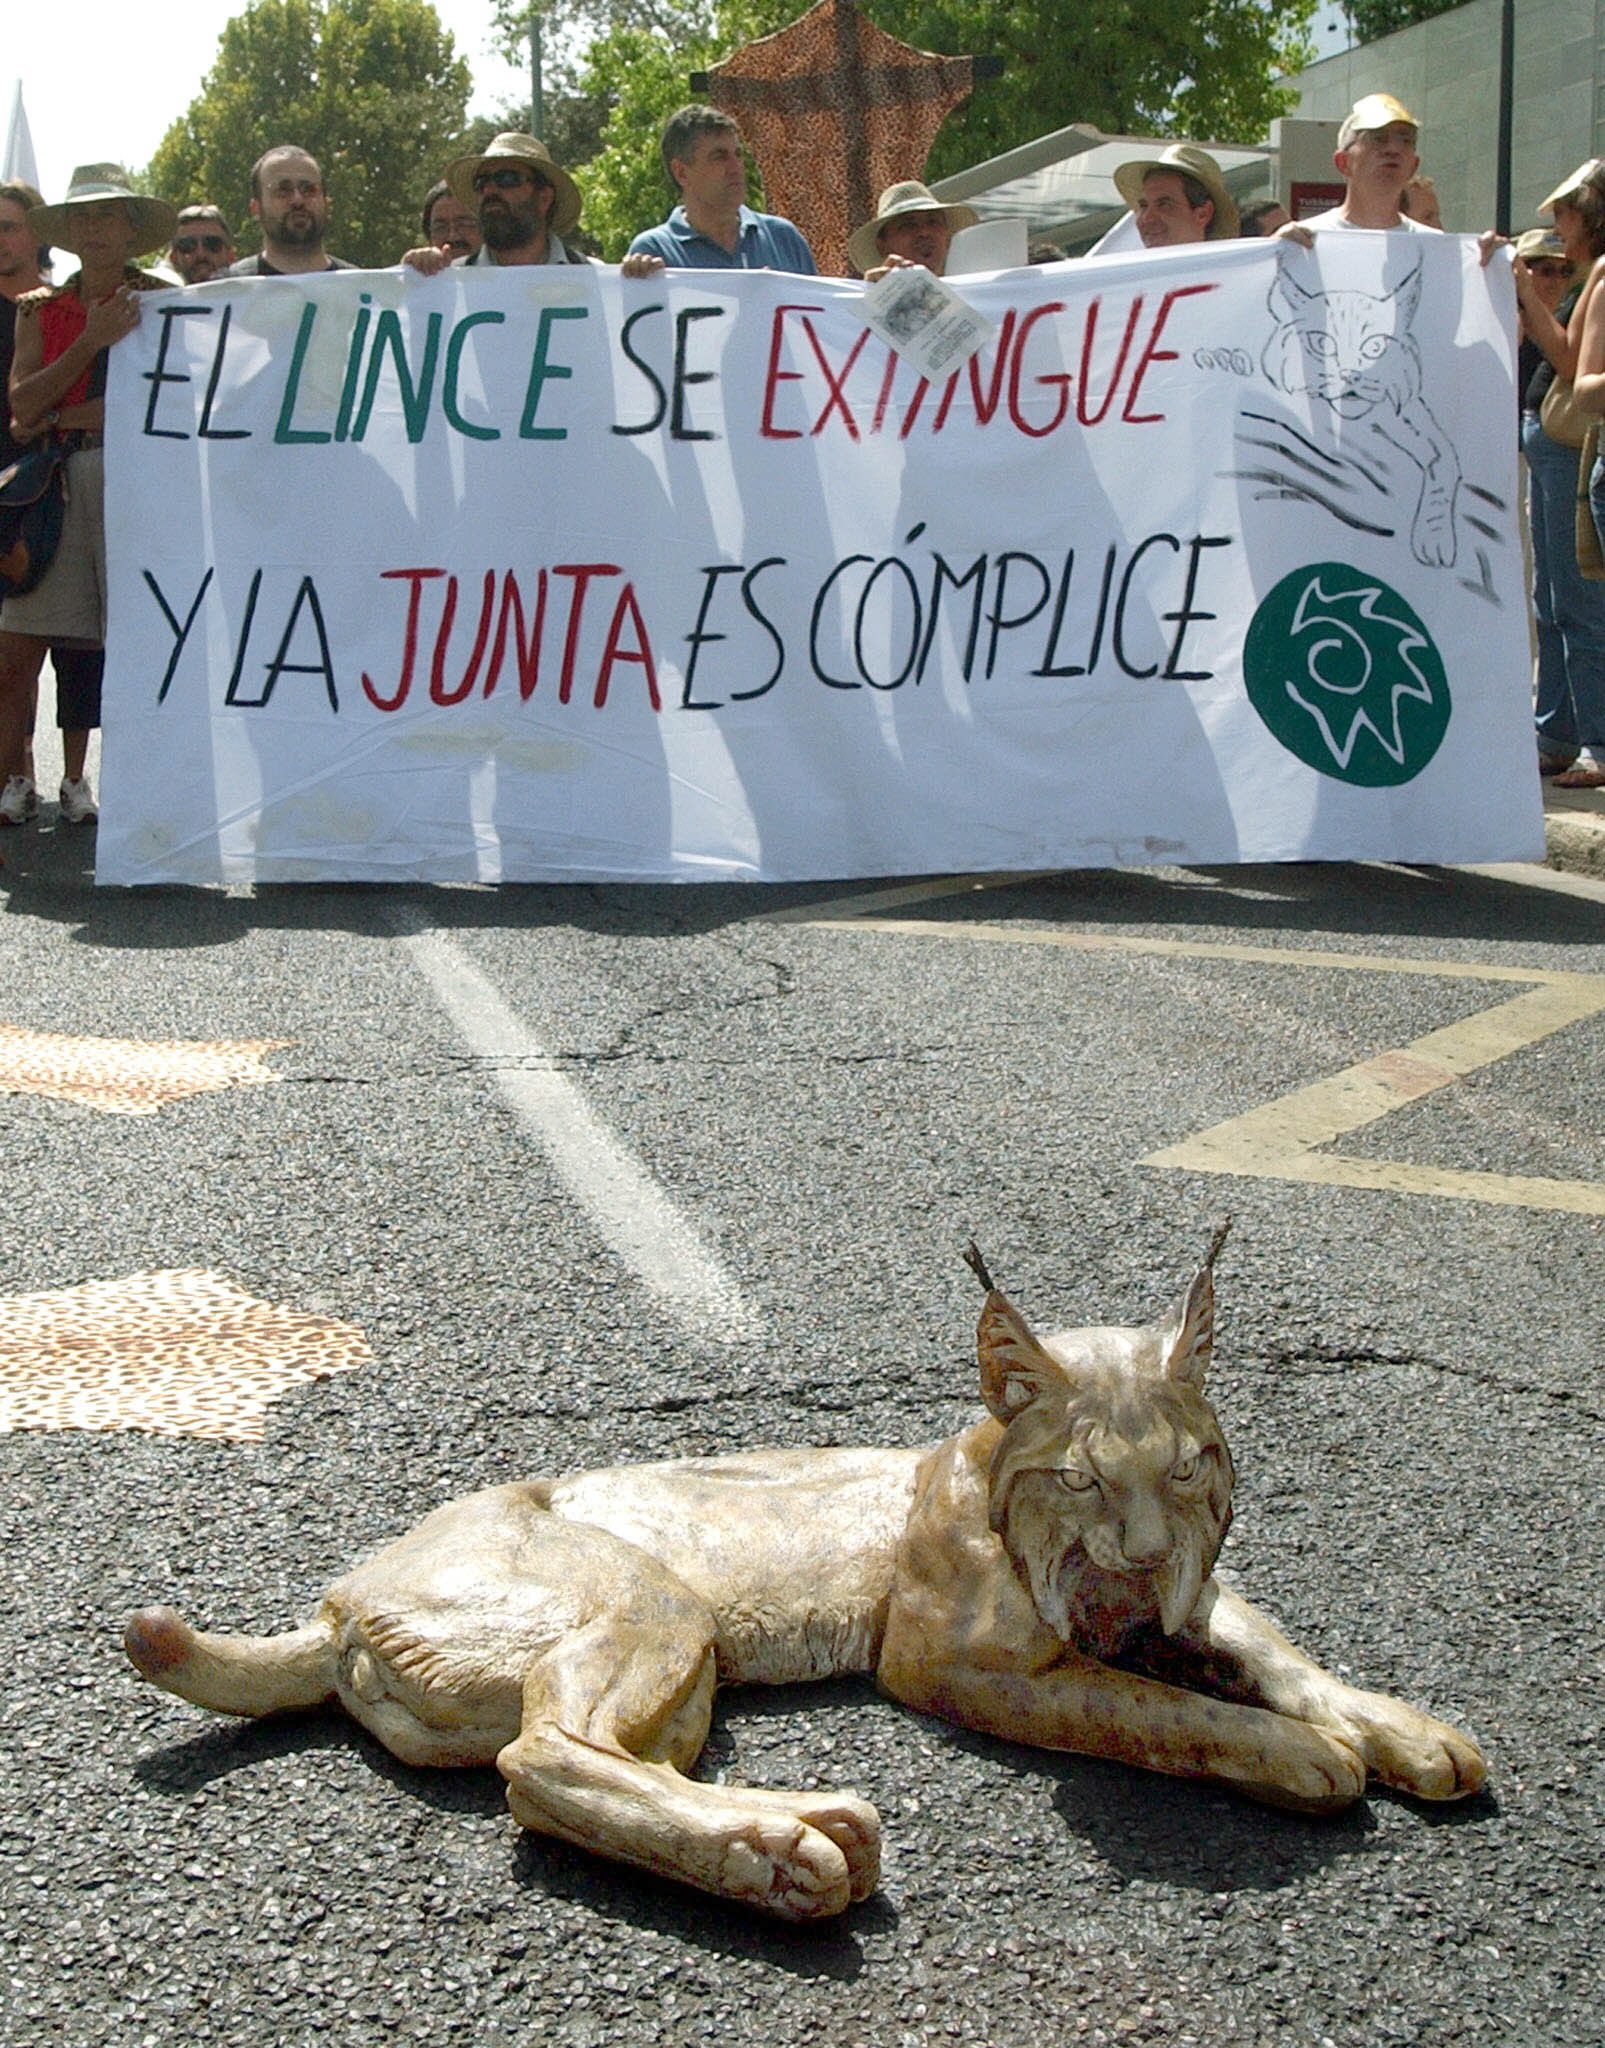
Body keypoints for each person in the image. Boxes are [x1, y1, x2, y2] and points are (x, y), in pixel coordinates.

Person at [0, 166, 173, 828]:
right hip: (57, 487)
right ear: (67, 232)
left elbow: (165, 403)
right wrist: (91, 344)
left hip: (137, 479)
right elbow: (20, 407)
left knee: (118, 644)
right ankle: (19, 774)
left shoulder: (165, 301)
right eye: (84, 217)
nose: (96, 228)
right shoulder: (39, 311)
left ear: (131, 229)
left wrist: (60, 414)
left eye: (110, 215)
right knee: (22, 642)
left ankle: (85, 779)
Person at [1546, 163, 1605, 784]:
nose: (1556, 229)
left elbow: (1571, 365)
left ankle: (1592, 738)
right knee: (1565, 602)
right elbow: (1580, 376)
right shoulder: (1596, 277)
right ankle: (1574, 732)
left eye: (1563, 213)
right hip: (1576, 452)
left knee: (1578, 604)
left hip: (1575, 453)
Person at [625, 106, 816, 275]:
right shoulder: (656, 251)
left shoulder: (784, 239)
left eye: (738, 154)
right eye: (719, 156)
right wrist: (638, 282)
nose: (736, 167)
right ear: (682, 172)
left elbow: (817, 313)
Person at [402, 134, 592, 274]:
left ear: (544, 198)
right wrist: (409, 277)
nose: (490, 190)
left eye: (507, 179)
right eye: (481, 182)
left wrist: (623, 281)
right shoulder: (448, 279)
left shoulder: (595, 277)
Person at [1277, 96, 1438, 240]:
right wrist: (1275, 254)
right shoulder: (1303, 241)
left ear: (1414, 166)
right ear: (1343, 162)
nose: (1393, 149)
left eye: (1406, 141)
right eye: (1378, 139)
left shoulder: (1435, 248)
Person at [228, 146, 353, 276]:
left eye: (309, 190)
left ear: (327, 204)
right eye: (283, 191)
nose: (298, 200)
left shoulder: (361, 287)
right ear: (256, 208)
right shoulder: (228, 289)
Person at [847, 180, 978, 282]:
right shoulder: (864, 304)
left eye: (933, 222)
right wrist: (874, 298)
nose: (924, 232)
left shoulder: (978, 288)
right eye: (908, 225)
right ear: (882, 246)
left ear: (947, 238)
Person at [1113, 145, 1240, 247]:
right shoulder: (1127, 275)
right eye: (1143, 206)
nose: (1147, 218)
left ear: (1203, 214)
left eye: (1164, 204)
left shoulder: (1230, 276)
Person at [168, 205, 236, 284]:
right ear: (173, 258)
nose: (201, 254)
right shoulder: (159, 295)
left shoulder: (251, 293)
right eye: (187, 245)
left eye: (212, 243)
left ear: (231, 256)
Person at [419, 178, 480, 263]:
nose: (453, 237)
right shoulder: (417, 274)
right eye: (440, 228)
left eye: (464, 224)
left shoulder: (503, 274)